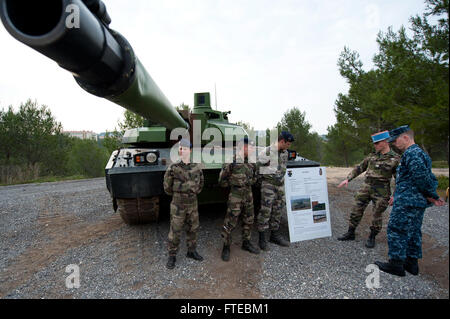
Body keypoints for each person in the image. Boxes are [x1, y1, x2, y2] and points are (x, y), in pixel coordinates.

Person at [375, 125, 445, 276]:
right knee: (413, 231)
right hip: (413, 200)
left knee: (396, 229)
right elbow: (413, 179)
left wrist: (432, 195)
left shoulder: (412, 154)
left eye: (395, 140)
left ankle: (396, 265)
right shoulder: (419, 153)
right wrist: (397, 195)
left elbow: (421, 178)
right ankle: (411, 264)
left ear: (405, 137)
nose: (393, 143)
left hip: (408, 201)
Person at [337, 130, 400, 248]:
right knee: (356, 209)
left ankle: (372, 236)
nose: (375, 145)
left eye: (377, 143)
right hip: (366, 187)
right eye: (374, 143)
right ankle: (351, 232)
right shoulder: (372, 156)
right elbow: (360, 167)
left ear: (385, 142)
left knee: (377, 214)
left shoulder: (395, 158)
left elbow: (399, 179)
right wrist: (348, 179)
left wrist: (395, 195)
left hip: (382, 190)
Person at [163, 139, 204, 269]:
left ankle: (191, 251)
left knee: (193, 228)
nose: (182, 150)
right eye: (180, 148)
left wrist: (193, 192)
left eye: (184, 148)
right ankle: (172, 255)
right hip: (178, 205)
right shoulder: (173, 168)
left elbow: (201, 184)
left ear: (190, 150)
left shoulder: (196, 167)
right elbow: (167, 187)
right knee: (175, 231)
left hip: (192, 204)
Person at [219, 137, 260, 261]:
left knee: (249, 219)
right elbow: (222, 180)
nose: (253, 149)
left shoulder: (252, 162)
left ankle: (246, 242)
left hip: (248, 194)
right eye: (251, 147)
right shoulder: (231, 161)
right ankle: (226, 246)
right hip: (235, 195)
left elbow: (255, 176)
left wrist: (248, 182)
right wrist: (234, 184)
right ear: (244, 147)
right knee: (230, 221)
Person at [256, 131, 294, 250]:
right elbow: (257, 168)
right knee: (265, 211)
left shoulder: (285, 153)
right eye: (287, 144)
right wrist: (264, 180)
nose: (289, 146)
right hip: (269, 185)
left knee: (278, 210)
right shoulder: (267, 152)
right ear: (282, 141)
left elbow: (283, 168)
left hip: (280, 186)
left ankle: (274, 235)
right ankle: (262, 239)